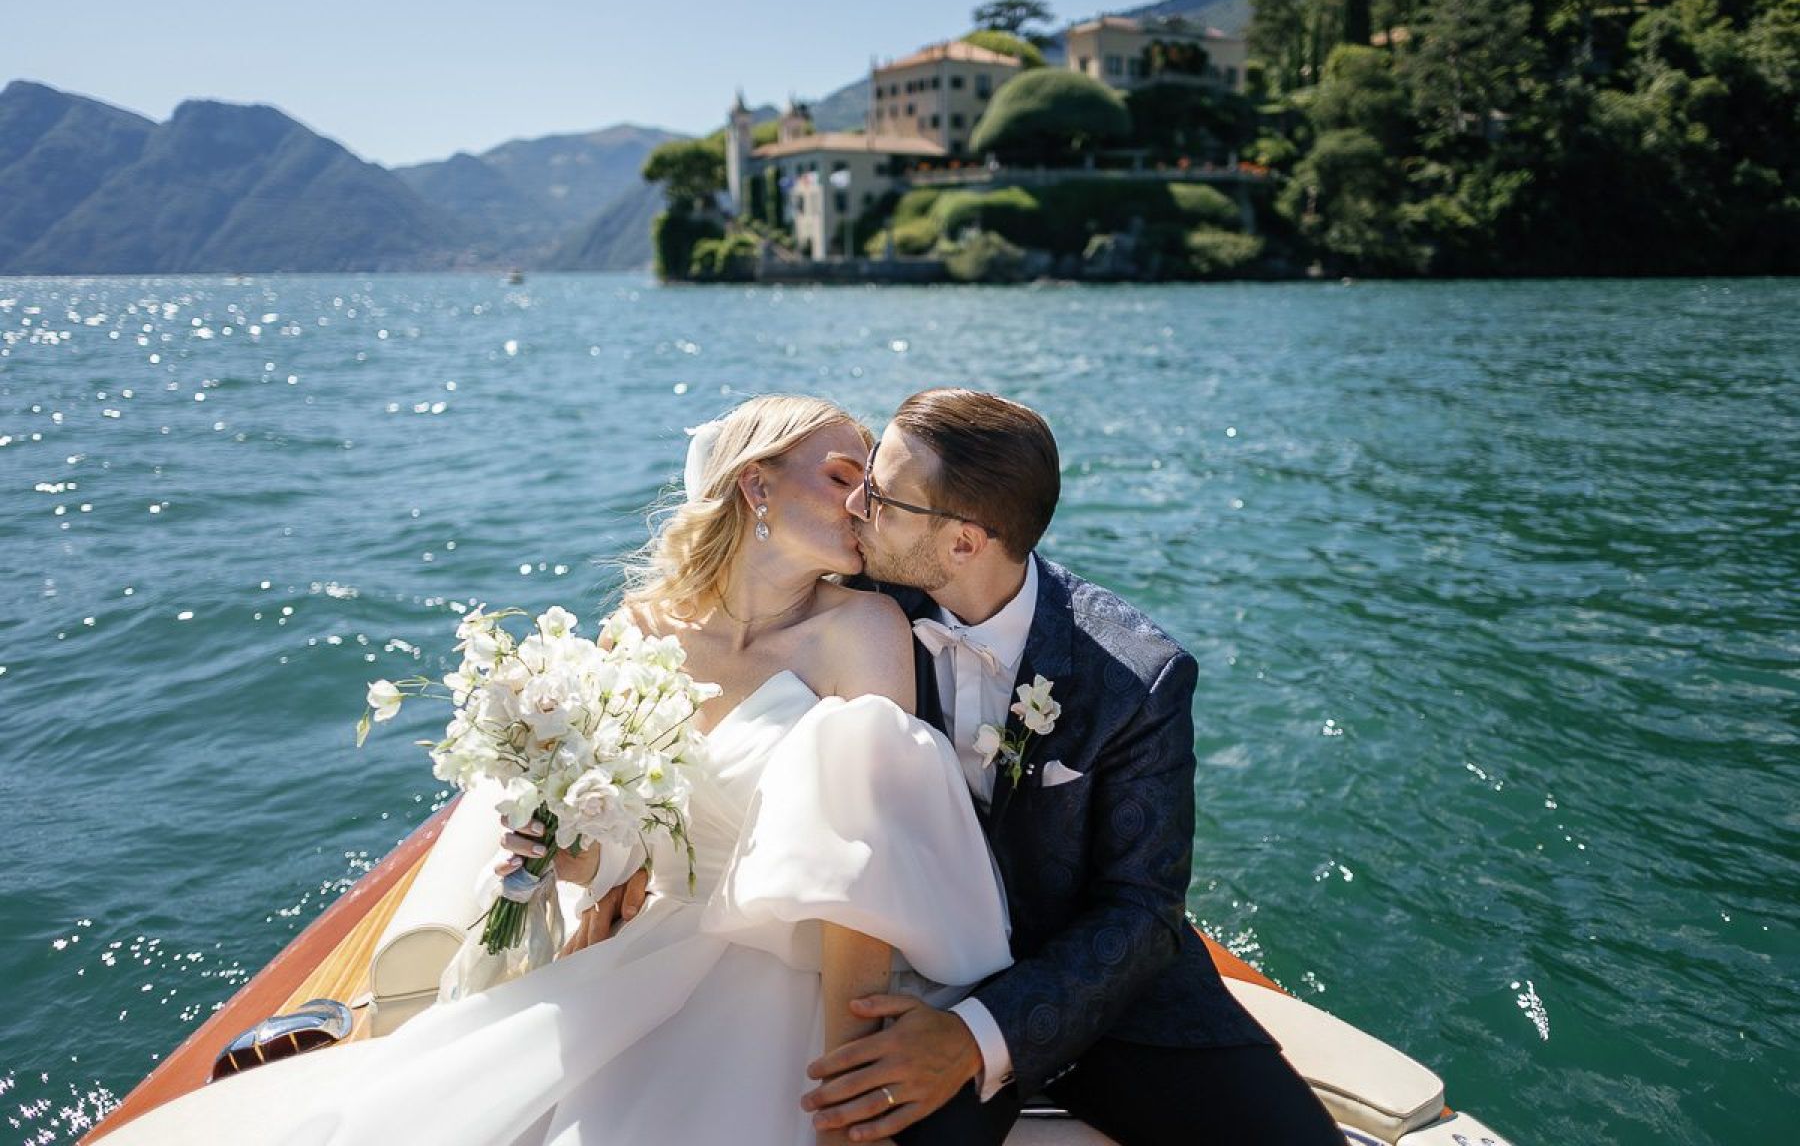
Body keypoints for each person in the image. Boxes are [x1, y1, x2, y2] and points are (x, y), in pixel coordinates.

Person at [111, 395, 1011, 1145]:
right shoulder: (641, 629)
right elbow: (621, 842)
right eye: (842, 477)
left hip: (806, 963)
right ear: (754, 484)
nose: (861, 505)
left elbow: (874, 844)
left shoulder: (861, 631)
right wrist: (571, 852)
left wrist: (853, 1104)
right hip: (659, 934)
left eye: (870, 487)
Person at [798, 389, 1344, 1146]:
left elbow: (1143, 911)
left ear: (964, 542)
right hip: (924, 977)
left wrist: (973, 1038)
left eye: (883, 496)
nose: (856, 505)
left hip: (1109, 996)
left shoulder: (1137, 678)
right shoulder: (856, 603)